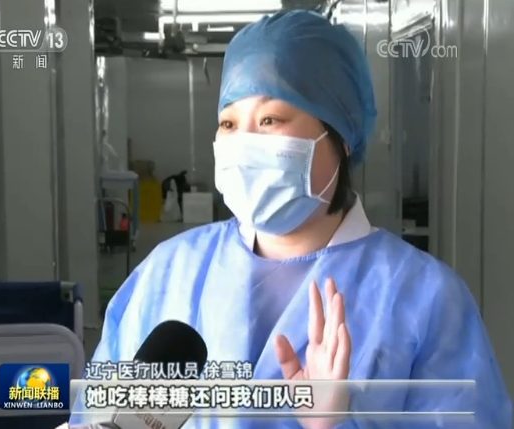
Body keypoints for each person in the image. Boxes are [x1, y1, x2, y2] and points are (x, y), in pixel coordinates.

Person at [69, 9, 511, 429]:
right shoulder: (170, 272)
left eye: (270, 119)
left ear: (340, 135)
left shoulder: (423, 297)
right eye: (228, 123)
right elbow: (100, 412)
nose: (243, 144)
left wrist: (334, 424)